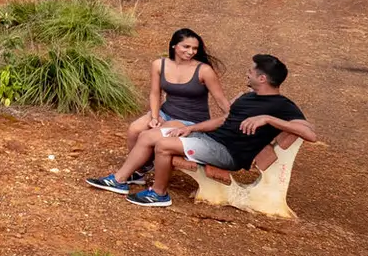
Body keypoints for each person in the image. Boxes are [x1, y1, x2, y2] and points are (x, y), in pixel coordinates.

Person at [86, 54, 318, 207]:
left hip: (227, 154)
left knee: (164, 145)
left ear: (262, 77)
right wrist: (192, 129)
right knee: (148, 135)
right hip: (209, 140)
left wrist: (268, 119)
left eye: (250, 71)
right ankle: (120, 180)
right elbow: (223, 121)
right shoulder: (248, 97)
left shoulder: (282, 106)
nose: (246, 73)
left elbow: (310, 134)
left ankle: (159, 194)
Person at [121, 28, 228, 183]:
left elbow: (220, 99)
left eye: (195, 48)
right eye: (186, 47)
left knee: (153, 134)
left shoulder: (204, 70)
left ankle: (132, 171)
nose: (191, 51)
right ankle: (139, 171)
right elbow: (155, 93)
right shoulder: (159, 64)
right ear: (174, 46)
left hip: (189, 119)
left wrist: (234, 117)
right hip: (166, 111)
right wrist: (155, 116)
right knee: (134, 129)